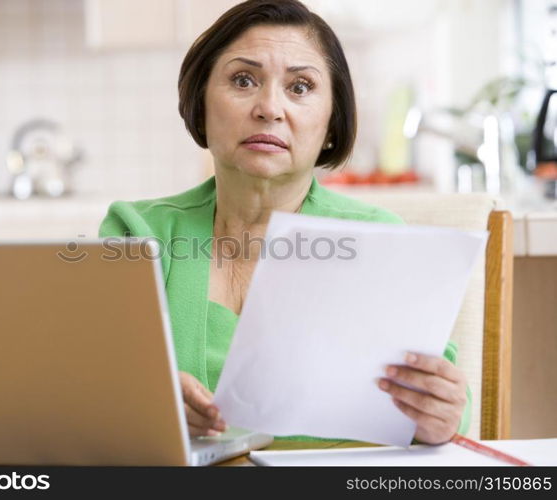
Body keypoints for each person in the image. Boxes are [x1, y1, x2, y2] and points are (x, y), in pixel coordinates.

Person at [99, 0, 470, 445]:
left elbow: (434, 413)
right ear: (200, 104)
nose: (269, 107)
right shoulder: (138, 231)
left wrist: (440, 417)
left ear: (332, 121)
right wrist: (141, 401)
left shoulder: (378, 239)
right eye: (243, 80)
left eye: (300, 87)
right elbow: (83, 382)